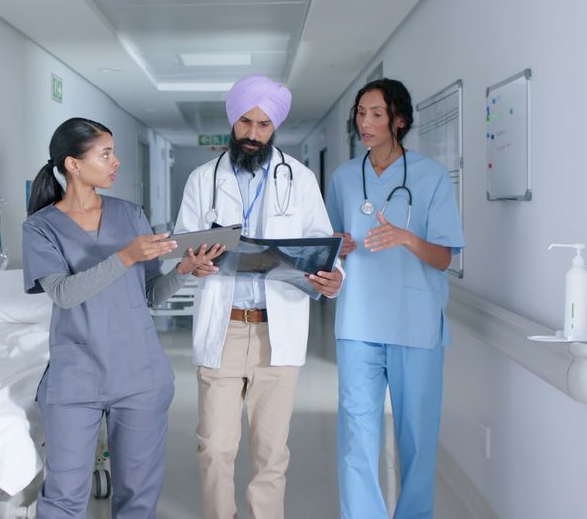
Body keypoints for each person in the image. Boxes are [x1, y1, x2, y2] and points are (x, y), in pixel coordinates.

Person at [22, 117, 224, 519]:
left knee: (137, 501)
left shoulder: (130, 214)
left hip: (139, 375)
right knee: (62, 498)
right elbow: (64, 292)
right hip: (75, 378)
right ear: (73, 164)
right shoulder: (41, 228)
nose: (117, 163)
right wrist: (127, 255)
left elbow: (147, 294)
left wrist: (182, 271)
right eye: (106, 154)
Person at [174, 74, 344, 519]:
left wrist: (333, 276)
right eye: (245, 122)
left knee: (271, 454)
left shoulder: (300, 179)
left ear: (275, 128)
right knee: (214, 448)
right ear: (233, 121)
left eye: (263, 125)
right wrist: (194, 262)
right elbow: (183, 247)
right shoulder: (202, 180)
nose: (252, 134)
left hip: (279, 329)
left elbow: (322, 243)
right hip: (224, 326)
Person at [325, 78, 465, 519]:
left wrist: (406, 237)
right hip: (358, 323)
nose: (365, 123)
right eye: (360, 114)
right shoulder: (345, 177)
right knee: (356, 435)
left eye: (376, 114)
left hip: (414, 322)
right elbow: (325, 243)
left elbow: (443, 257)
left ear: (399, 120)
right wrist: (337, 243)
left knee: (417, 440)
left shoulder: (431, 177)